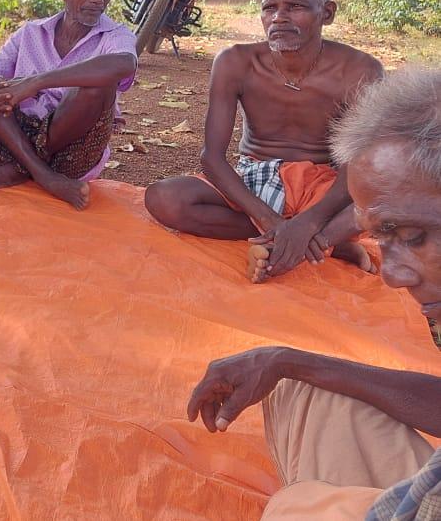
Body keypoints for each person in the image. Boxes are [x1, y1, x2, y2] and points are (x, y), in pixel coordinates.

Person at [188, 68, 441, 520]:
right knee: (295, 385)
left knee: (298, 508)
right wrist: (288, 360)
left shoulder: (349, 63)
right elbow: (212, 157)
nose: (394, 277)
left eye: (414, 236)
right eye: (381, 237)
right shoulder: (240, 61)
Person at [144, 0, 382, 282]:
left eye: (294, 7)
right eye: (270, 7)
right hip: (256, 175)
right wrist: (271, 220)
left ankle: (317, 238)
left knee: (386, 202)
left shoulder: (360, 70)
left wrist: (311, 221)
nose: (279, 17)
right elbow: (211, 158)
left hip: (324, 184)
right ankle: (324, 244)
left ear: (327, 12)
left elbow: (360, 163)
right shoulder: (235, 62)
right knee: (164, 199)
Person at [0, 0, 137, 210]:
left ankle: (23, 169)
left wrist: (36, 82)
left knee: (97, 86)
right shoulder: (30, 32)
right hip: (11, 141)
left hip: (72, 153)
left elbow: (125, 63)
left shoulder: (115, 35)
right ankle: (42, 174)